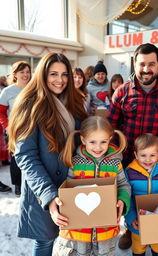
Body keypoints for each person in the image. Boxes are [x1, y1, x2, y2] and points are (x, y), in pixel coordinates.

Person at [8, 52, 87, 256]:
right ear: (42, 75)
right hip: (43, 188)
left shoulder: (75, 102)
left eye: (64, 74)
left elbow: (85, 139)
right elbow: (25, 157)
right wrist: (49, 196)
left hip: (72, 185)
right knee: (45, 242)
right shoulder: (30, 105)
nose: (59, 80)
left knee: (72, 240)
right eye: (53, 74)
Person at [108, 43, 158, 249]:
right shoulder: (121, 92)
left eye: (151, 64)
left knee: (154, 195)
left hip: (157, 158)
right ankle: (130, 228)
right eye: (142, 64)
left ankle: (155, 230)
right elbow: (111, 127)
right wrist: (114, 153)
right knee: (129, 195)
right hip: (128, 158)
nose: (146, 69)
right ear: (134, 64)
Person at [52, 116, 131, 256]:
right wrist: (61, 204)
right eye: (92, 142)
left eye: (103, 142)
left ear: (110, 139)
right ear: (83, 140)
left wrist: (122, 200)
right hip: (78, 231)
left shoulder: (114, 163)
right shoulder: (75, 162)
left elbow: (123, 184)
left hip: (104, 230)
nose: (98, 147)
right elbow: (67, 187)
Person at [125, 133, 158, 256]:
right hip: (138, 219)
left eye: (152, 155)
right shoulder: (130, 172)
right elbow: (127, 196)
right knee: (138, 246)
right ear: (136, 155)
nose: (147, 159)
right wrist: (131, 218)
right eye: (143, 155)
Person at [0, 61, 31, 196]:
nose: (25, 75)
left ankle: (31, 184)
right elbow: (1, 112)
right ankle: (18, 185)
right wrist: (6, 127)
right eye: (22, 72)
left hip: (33, 129)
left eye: (27, 72)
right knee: (16, 159)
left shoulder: (34, 88)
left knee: (32, 158)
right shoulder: (7, 91)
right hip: (15, 131)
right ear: (15, 74)